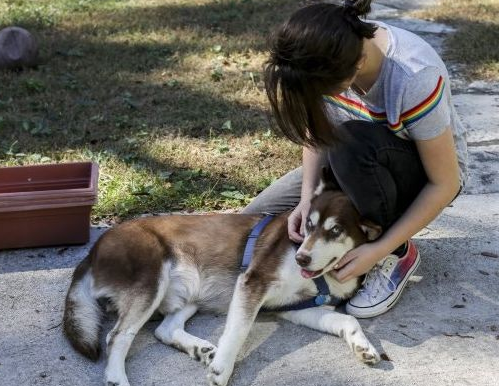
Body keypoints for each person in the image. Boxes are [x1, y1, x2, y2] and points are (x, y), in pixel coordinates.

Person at [242, 0, 467, 318]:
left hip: (422, 174)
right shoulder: (322, 56)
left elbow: (445, 183)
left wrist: (379, 249)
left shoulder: (413, 77)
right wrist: (307, 199)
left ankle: (397, 253)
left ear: (359, 62)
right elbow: (316, 135)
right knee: (251, 223)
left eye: (324, 92)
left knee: (352, 141)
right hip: (351, 160)